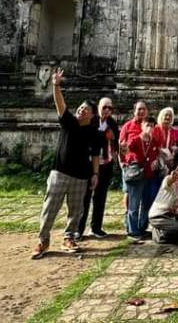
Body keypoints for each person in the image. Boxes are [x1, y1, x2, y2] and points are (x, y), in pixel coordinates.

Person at [32, 68, 101, 259]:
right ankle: (43, 240)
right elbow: (60, 104)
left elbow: (96, 155)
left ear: (92, 115)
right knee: (50, 206)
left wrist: (95, 175)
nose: (81, 110)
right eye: (80, 107)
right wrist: (56, 84)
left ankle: (69, 237)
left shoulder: (94, 133)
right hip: (60, 172)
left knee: (76, 210)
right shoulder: (69, 121)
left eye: (85, 109)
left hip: (81, 175)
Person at [77, 97, 119, 239]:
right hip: (89, 163)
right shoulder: (92, 121)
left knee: (100, 197)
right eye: (105, 107)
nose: (107, 110)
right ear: (99, 108)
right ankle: (78, 229)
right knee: (85, 197)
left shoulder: (112, 123)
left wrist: (116, 150)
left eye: (110, 108)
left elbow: (116, 142)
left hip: (106, 164)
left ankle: (96, 227)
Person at [121, 118, 160, 242]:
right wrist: (131, 159)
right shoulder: (135, 140)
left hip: (149, 176)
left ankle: (142, 228)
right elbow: (126, 152)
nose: (150, 127)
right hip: (137, 177)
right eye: (147, 125)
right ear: (142, 126)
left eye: (152, 125)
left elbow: (156, 155)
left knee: (146, 204)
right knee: (134, 204)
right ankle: (132, 231)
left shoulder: (153, 141)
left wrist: (156, 161)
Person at [148, 163, 178, 244]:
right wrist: (172, 178)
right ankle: (158, 235)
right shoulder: (168, 180)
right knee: (177, 230)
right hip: (158, 215)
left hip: (170, 215)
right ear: (176, 171)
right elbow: (167, 183)